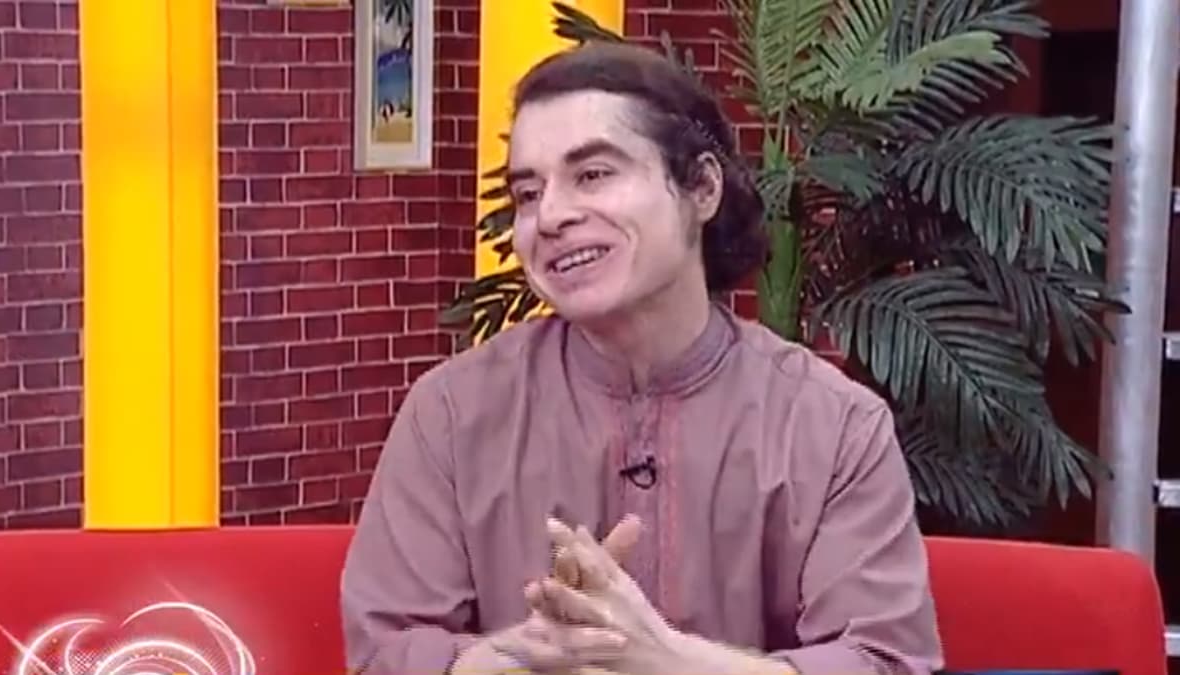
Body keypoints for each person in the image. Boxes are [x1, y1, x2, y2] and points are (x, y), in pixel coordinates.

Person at [341, 40, 944, 675]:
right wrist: (523, 658)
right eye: (527, 193)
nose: (551, 216)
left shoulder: (834, 425)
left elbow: (884, 662)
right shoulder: (452, 413)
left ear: (702, 187)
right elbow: (385, 652)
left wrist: (666, 660)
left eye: (593, 175)